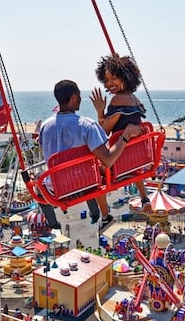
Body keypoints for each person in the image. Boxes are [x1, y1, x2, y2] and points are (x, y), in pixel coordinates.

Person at [39, 80, 143, 230]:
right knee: (106, 168)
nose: (81, 99)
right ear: (74, 97)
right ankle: (107, 213)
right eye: (80, 96)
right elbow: (107, 160)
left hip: (55, 188)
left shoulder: (45, 126)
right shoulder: (86, 125)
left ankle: (104, 215)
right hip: (82, 184)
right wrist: (126, 135)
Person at [90, 54, 150, 211]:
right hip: (136, 158)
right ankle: (144, 197)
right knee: (129, 150)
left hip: (119, 161)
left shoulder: (117, 100)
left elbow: (103, 132)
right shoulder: (135, 99)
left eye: (114, 78)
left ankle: (104, 214)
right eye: (106, 80)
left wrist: (100, 111)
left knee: (91, 171)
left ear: (125, 76)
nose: (109, 83)